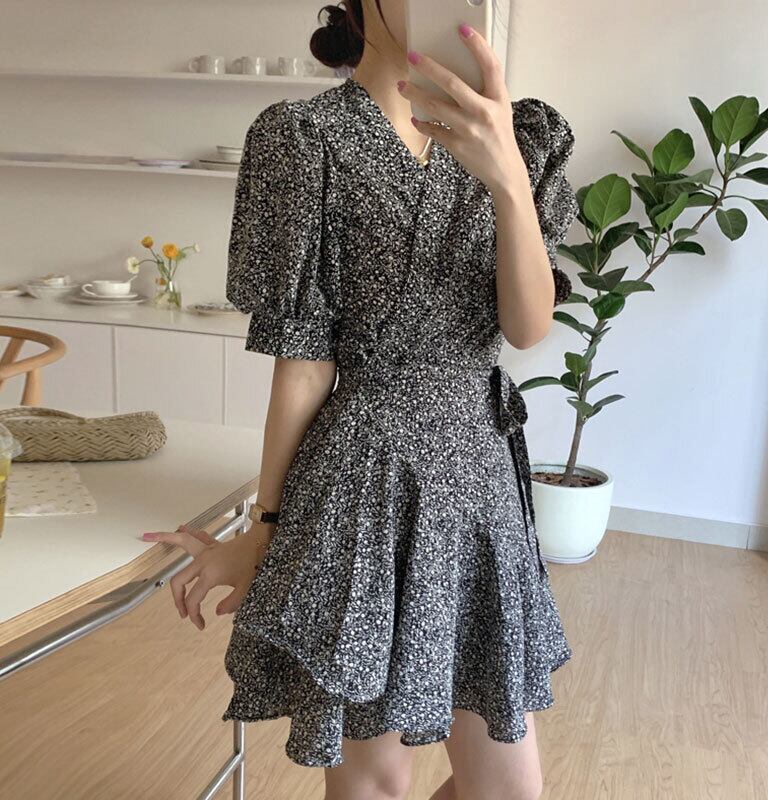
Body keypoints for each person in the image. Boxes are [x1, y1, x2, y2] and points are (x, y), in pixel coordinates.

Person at [142, 1, 578, 797]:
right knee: (375, 781)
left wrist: (509, 178)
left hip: (480, 479)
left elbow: (528, 327)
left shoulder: (523, 134)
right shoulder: (303, 137)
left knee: (510, 789)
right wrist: (266, 530)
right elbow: (304, 364)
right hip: (363, 486)